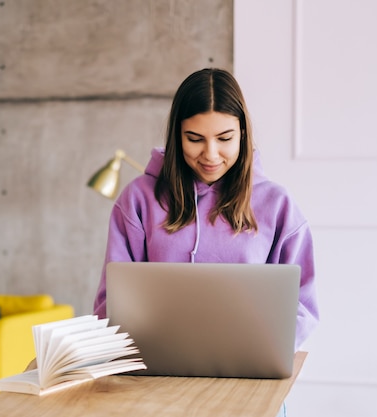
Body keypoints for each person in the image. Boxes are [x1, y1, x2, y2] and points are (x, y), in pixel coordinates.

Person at [93, 67, 319, 353]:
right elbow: (110, 303)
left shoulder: (277, 205)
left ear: (242, 134)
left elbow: (302, 306)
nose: (210, 154)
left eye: (225, 139)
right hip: (156, 370)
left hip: (248, 364)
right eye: (195, 139)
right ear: (177, 136)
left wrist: (259, 350)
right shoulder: (138, 200)